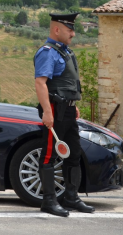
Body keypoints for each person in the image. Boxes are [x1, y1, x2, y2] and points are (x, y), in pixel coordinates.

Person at [33, 13, 94, 217]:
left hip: (67, 110)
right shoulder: (48, 52)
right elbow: (40, 83)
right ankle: (49, 201)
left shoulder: (65, 52)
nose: (73, 34)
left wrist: (72, 104)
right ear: (57, 29)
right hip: (55, 110)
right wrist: (48, 113)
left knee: (74, 154)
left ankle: (71, 197)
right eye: (70, 30)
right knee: (49, 155)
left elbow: (67, 83)